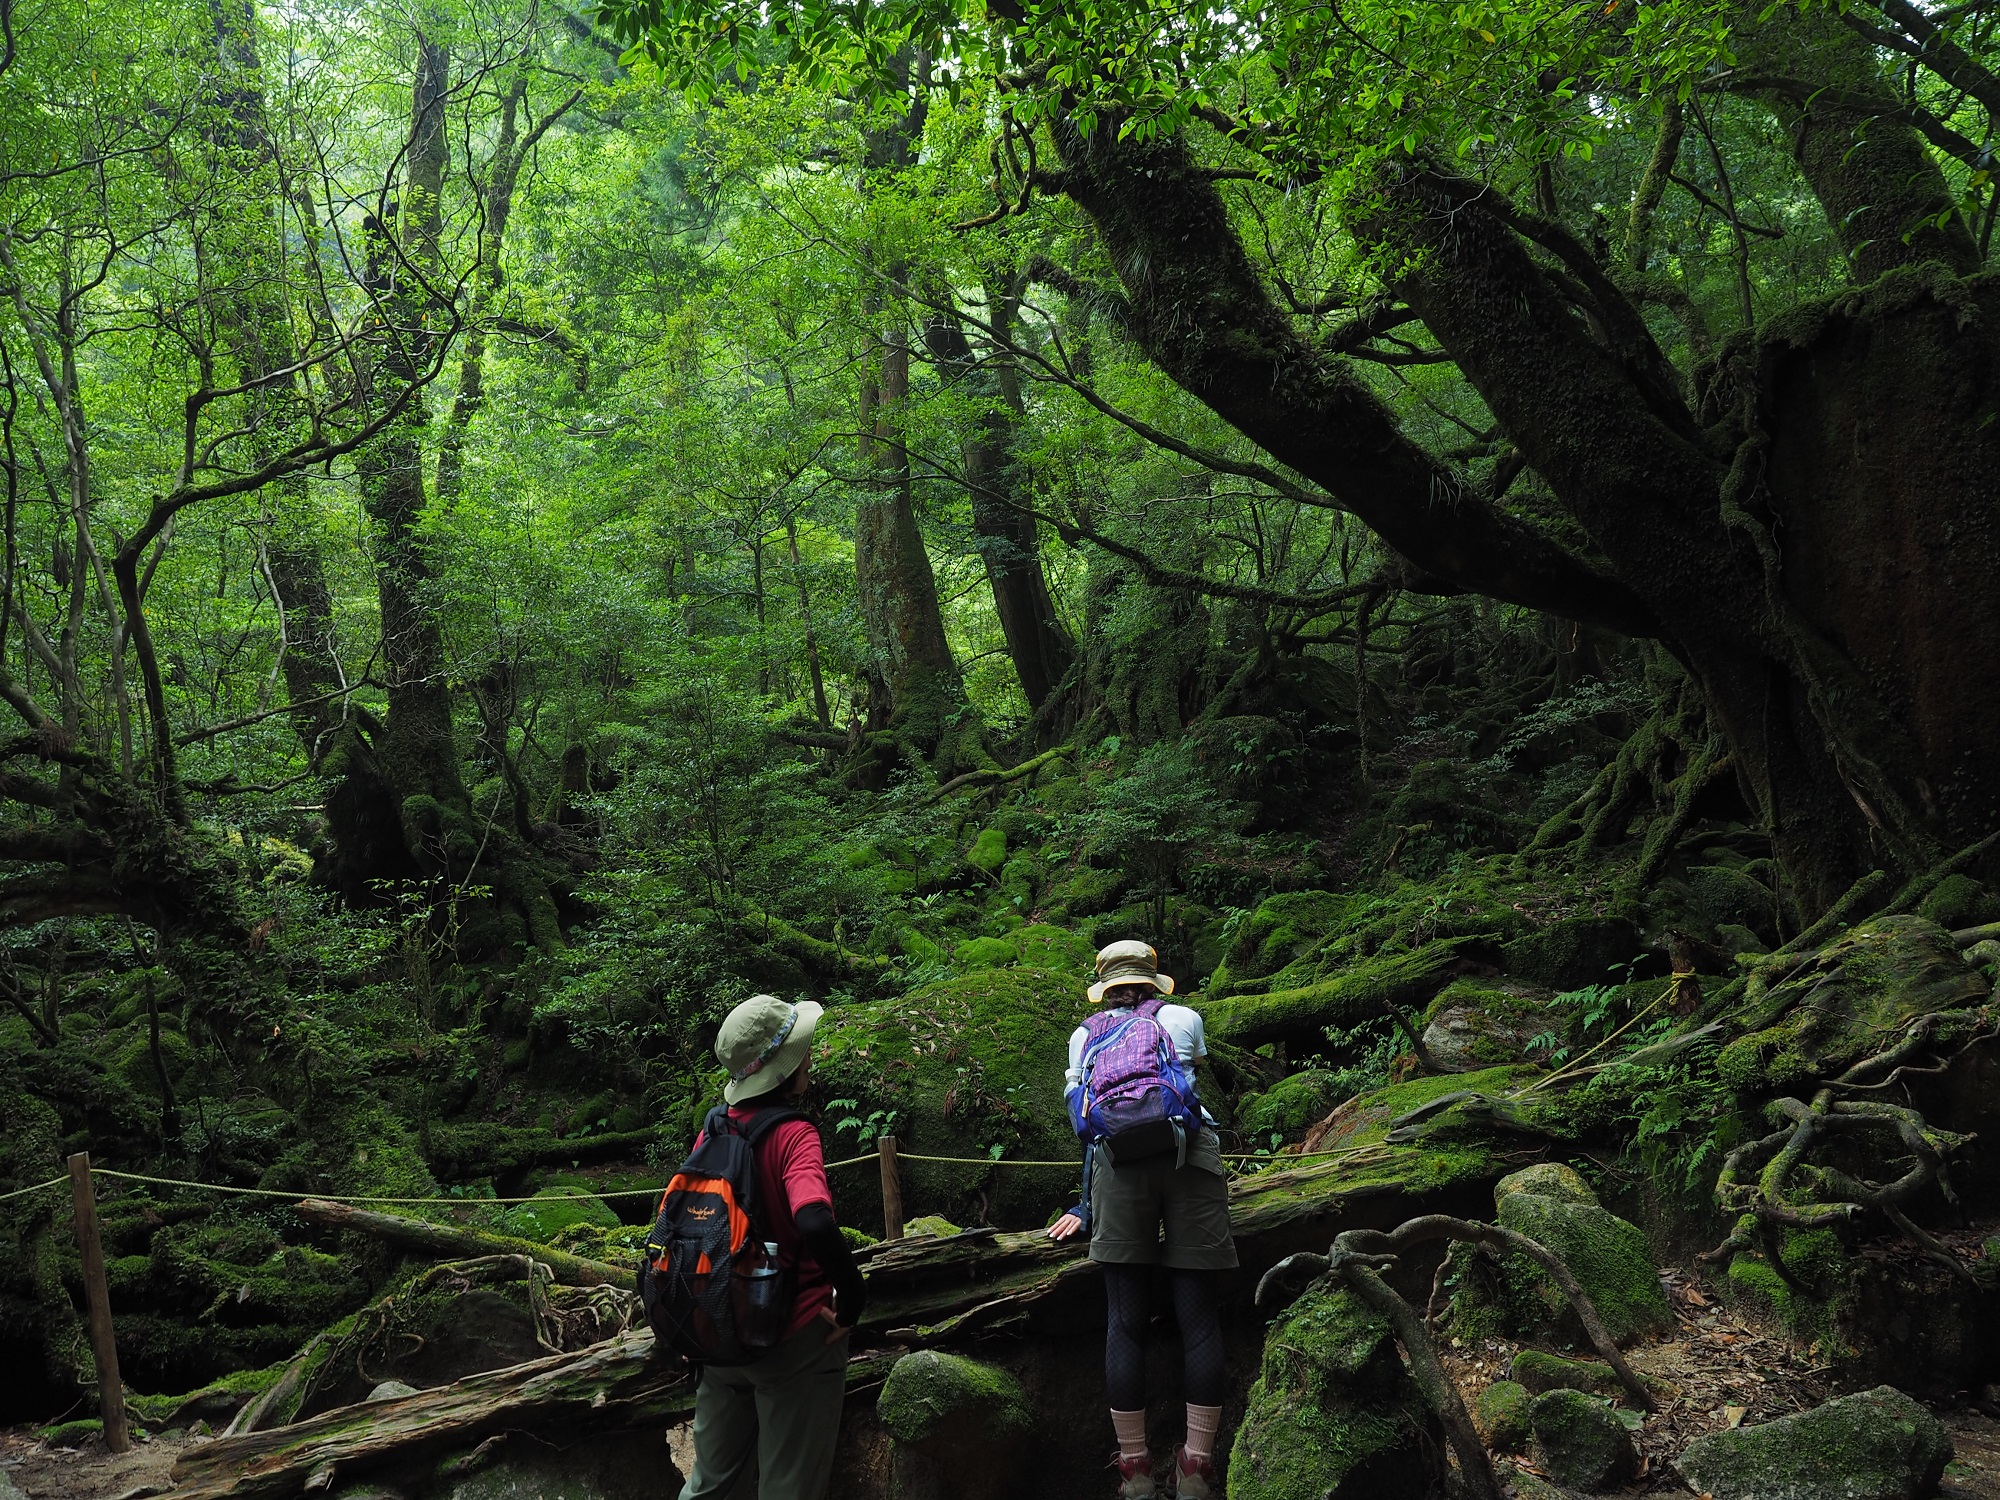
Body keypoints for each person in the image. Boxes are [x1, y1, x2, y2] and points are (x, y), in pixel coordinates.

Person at [1049, 941, 1237, 1500]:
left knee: (1124, 1320)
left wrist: (1086, 1205)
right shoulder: (1183, 1019)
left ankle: (1135, 1472)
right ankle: (1196, 1471)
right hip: (1190, 1157)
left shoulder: (1084, 1036)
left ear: (1103, 985)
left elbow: (1090, 1119)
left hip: (1119, 1168)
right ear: (1155, 980)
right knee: (1199, 1318)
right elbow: (1190, 1088)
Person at [678, 994, 868, 1500]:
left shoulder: (714, 1126)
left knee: (711, 1483)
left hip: (718, 1326)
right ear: (787, 1066)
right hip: (793, 1335)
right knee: (789, 1487)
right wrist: (851, 1298)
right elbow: (813, 1219)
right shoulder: (793, 1134)